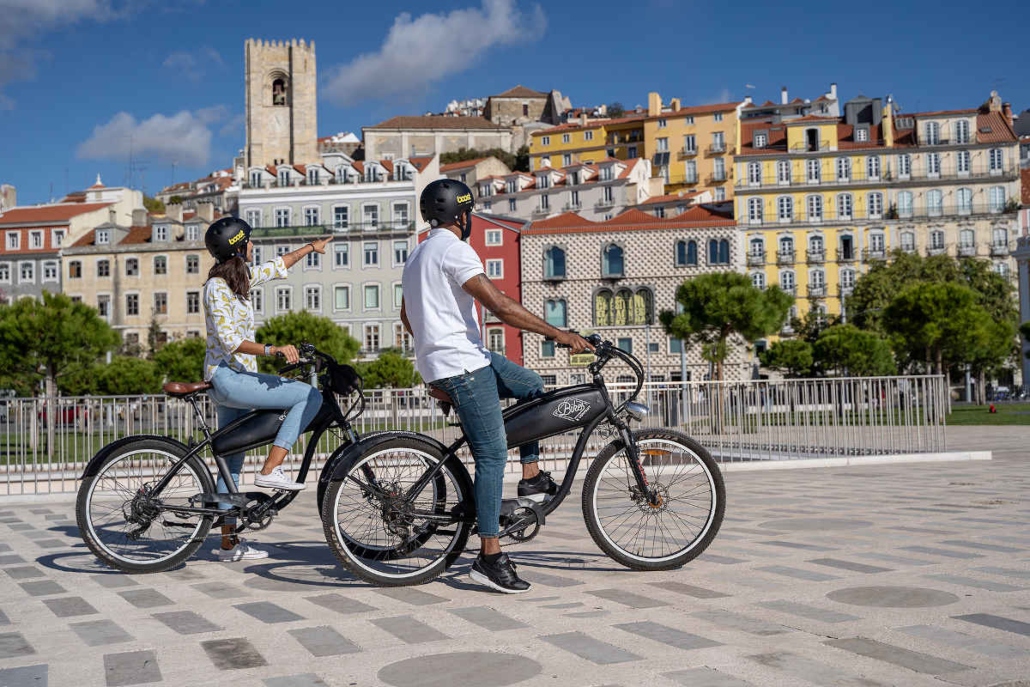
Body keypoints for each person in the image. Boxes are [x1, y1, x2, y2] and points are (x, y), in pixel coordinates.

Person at [401, 179, 593, 593]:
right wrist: (559, 335)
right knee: (490, 457)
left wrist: (432, 361)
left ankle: (533, 475)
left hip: (459, 360)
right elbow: (500, 305)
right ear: (463, 216)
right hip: (464, 366)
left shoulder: (416, 255)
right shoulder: (454, 249)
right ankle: (489, 556)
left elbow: (407, 317)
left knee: (531, 385)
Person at [202, 217, 332, 562]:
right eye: (249, 242)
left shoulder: (239, 279)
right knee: (309, 395)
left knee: (230, 461)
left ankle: (228, 544)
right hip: (230, 378)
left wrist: (310, 248)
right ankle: (272, 469)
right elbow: (230, 340)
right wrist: (272, 349)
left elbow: (276, 267)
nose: (253, 246)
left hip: (237, 378)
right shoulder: (216, 287)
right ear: (238, 247)